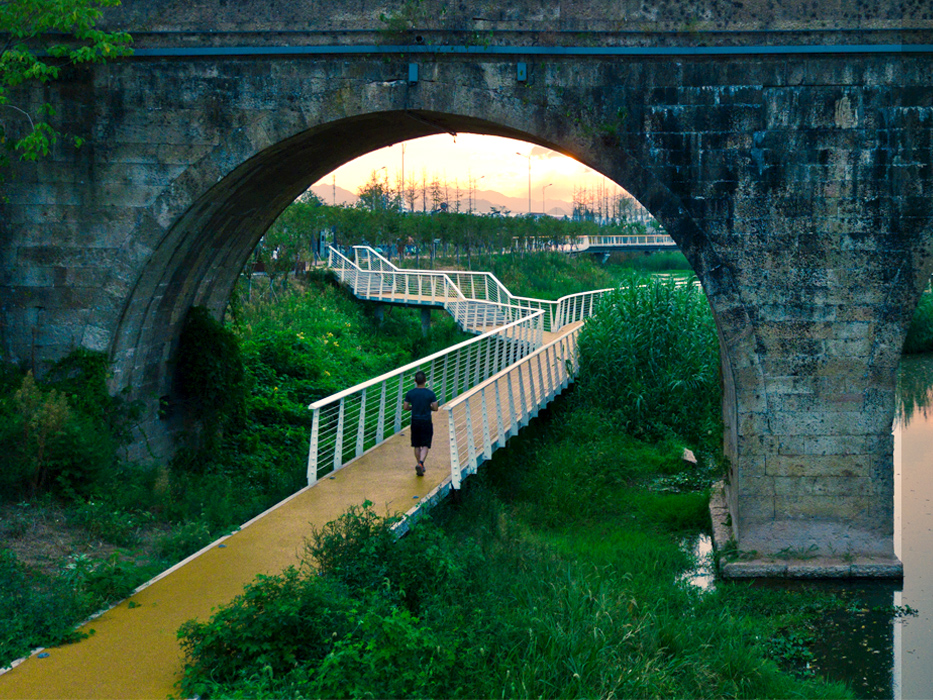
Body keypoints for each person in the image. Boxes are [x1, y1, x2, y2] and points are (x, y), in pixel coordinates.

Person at [403, 370, 438, 476]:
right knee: (426, 444)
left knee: (417, 445)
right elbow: (435, 408)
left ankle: (419, 464)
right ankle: (421, 463)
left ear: (415, 381)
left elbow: (405, 407)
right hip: (426, 421)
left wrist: (412, 407)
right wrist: (429, 406)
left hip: (415, 421)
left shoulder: (410, 393)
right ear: (425, 381)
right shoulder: (430, 394)